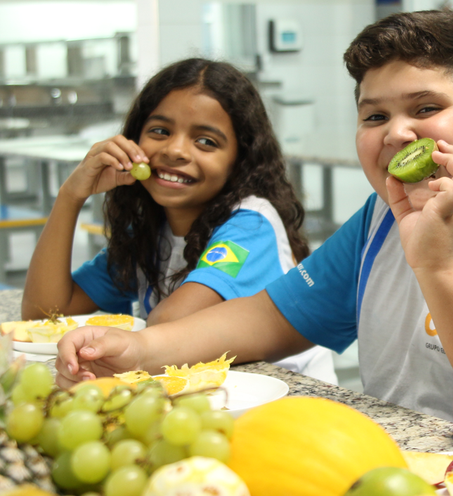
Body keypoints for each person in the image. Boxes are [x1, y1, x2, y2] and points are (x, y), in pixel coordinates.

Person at [54, 10, 453, 449]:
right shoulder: (380, 219)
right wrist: (138, 349)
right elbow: (269, 316)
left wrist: (437, 262)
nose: (397, 133)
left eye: (426, 107)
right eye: (374, 116)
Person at [24, 58, 334, 383]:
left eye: (206, 141)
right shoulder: (148, 230)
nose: (175, 150)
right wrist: (71, 195)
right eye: (160, 131)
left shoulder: (251, 225)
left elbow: (168, 328)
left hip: (289, 403)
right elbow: (42, 315)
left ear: (240, 162)